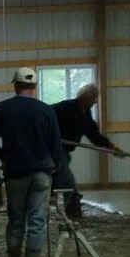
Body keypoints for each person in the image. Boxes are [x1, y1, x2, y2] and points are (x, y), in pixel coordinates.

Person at [0, 66, 64, 257]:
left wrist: (1, 153)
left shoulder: (3, 109)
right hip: (41, 172)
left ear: (15, 85)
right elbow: (55, 145)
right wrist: (55, 168)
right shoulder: (46, 110)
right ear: (34, 86)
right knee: (37, 221)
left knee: (16, 221)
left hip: (15, 173)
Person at [51, 84, 122, 220]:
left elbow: (92, 133)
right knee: (67, 181)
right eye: (94, 98)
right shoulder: (65, 107)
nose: (95, 102)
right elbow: (45, 117)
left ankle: (46, 201)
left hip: (65, 151)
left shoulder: (86, 113)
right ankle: (73, 213)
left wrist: (108, 144)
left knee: (56, 178)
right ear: (87, 97)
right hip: (55, 148)